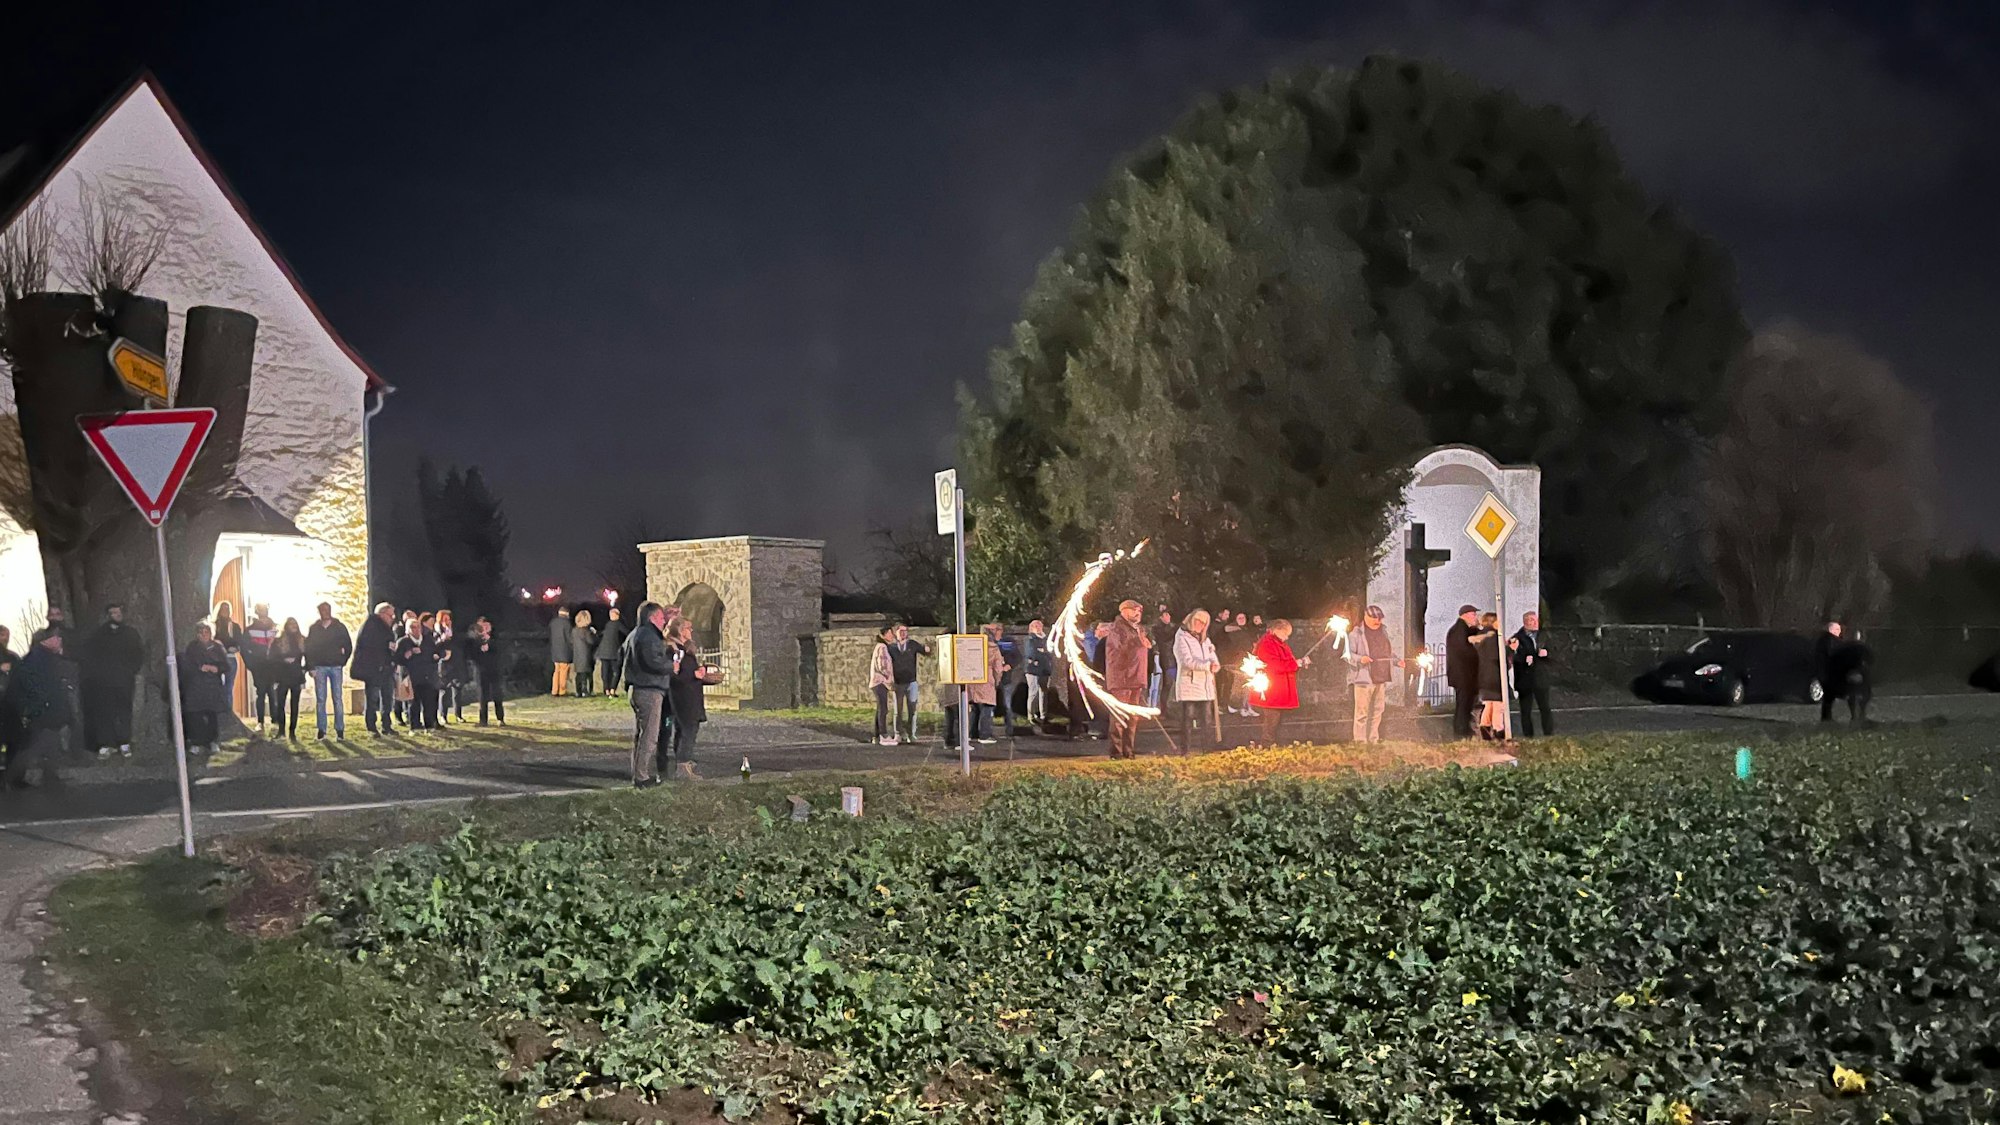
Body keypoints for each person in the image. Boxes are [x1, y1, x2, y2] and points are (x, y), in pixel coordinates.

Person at [4, 630, 71, 788]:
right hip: (41, 710)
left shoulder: (43, 657)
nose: (59, 640)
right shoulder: (37, 659)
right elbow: (35, 685)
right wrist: (42, 703)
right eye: (56, 637)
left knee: (47, 743)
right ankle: (13, 777)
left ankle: (48, 775)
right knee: (34, 744)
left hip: (44, 708)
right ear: (46, 640)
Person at [79, 604, 144, 758]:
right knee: (104, 713)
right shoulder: (99, 635)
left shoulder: (130, 634)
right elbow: (90, 656)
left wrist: (130, 671)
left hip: (124, 681)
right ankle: (106, 743)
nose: (116, 615)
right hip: (103, 682)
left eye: (118, 612)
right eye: (113, 612)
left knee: (124, 712)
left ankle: (124, 742)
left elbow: (138, 654)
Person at [624, 602, 674, 787]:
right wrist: (671, 666)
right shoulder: (649, 636)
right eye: (661, 617)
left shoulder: (635, 634)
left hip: (637, 688)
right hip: (649, 689)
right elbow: (652, 662)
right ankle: (642, 777)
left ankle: (638, 774)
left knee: (641, 735)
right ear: (652, 617)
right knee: (649, 736)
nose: (664, 622)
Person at [1101, 599, 1152, 760]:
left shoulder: (1139, 630)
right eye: (1133, 610)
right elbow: (1115, 655)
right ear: (1124, 611)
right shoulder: (1117, 630)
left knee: (1132, 718)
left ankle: (1129, 751)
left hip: (1136, 679)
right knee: (1118, 718)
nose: (1137, 613)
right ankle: (1116, 752)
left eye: (1139, 611)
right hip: (1122, 680)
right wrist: (1137, 643)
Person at [1345, 605, 1403, 743]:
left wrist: (1396, 661)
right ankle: (1360, 741)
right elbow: (1347, 655)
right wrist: (1361, 659)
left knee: (1378, 711)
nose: (1377, 621)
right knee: (1362, 713)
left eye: (1379, 619)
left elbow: (1387, 653)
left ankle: (1373, 739)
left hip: (1381, 677)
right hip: (1364, 679)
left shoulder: (1383, 632)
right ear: (1366, 617)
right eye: (1374, 619)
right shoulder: (1356, 634)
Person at [666, 616, 715, 778]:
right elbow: (674, 674)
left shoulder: (685, 647)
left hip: (690, 693)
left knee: (685, 729)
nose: (691, 631)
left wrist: (699, 672)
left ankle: (684, 762)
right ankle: (682, 764)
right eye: (688, 628)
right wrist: (693, 674)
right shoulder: (674, 648)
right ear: (680, 630)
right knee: (688, 729)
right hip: (683, 695)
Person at [1250, 619, 1309, 745]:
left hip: (1280, 688)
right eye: (1286, 633)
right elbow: (1274, 665)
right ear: (1277, 630)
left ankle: (1275, 743)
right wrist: (1295, 664)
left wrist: (1299, 662)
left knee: (1277, 719)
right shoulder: (1267, 643)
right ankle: (1267, 745)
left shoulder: (1279, 643)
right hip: (1273, 688)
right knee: (1272, 719)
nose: (1287, 637)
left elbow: (1287, 661)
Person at [1172, 608, 1221, 750]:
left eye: (1204, 623)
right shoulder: (1181, 637)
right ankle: (1185, 749)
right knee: (1188, 718)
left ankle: (1207, 748)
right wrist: (1207, 666)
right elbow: (1187, 661)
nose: (1200, 625)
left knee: (1207, 719)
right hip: (1190, 683)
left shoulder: (1206, 640)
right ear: (1191, 620)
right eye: (1198, 621)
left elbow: (1212, 655)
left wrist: (1215, 664)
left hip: (1206, 685)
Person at [305, 601, 352, 740]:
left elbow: (348, 645)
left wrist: (342, 661)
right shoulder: (314, 628)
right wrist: (311, 667)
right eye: (322, 610)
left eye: (326, 610)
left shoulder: (339, 627)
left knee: (337, 698)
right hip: (320, 667)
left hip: (335, 666)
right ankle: (321, 729)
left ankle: (340, 729)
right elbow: (309, 649)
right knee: (321, 699)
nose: (324, 612)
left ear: (330, 610)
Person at [181, 622, 230, 757]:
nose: (204, 635)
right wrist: (199, 668)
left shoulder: (217, 648)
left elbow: (226, 666)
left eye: (206, 632)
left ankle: (212, 741)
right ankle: (196, 742)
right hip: (196, 685)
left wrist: (217, 669)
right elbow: (187, 665)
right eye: (201, 633)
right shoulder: (192, 648)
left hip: (212, 686)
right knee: (196, 715)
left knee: (212, 714)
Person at [351, 602, 398, 735]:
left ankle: (386, 725)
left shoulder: (386, 628)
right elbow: (368, 646)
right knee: (372, 699)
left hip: (386, 668)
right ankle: (371, 726)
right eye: (390, 615)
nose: (392, 618)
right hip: (374, 669)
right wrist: (386, 646)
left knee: (387, 699)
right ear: (382, 614)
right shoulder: (370, 625)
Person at [1508, 611, 1554, 737]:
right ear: (1526, 622)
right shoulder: (1517, 638)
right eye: (1532, 620)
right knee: (1526, 710)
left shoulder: (1544, 636)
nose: (1535, 623)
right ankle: (1528, 736)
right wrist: (1523, 659)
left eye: (1536, 620)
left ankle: (1548, 734)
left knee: (1545, 708)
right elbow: (1511, 655)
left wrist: (1547, 654)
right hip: (1525, 680)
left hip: (1541, 678)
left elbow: (1555, 652)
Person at [396, 613, 443, 730]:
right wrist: (408, 654)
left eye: (418, 627)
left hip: (427, 675)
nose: (416, 630)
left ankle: (429, 725)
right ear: (408, 630)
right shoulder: (403, 642)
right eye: (413, 627)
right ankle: (415, 725)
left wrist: (436, 656)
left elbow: (436, 652)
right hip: (411, 677)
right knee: (413, 703)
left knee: (428, 702)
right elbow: (397, 659)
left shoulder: (427, 640)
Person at [266, 617, 307, 739]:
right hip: (282, 675)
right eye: (291, 624)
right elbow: (272, 659)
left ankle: (292, 731)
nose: (293, 626)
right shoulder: (279, 642)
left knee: (295, 704)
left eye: (295, 624)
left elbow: (309, 656)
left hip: (296, 675)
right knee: (280, 704)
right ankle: (281, 730)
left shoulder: (302, 640)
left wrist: (305, 668)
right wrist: (284, 660)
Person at [888, 624, 930, 743]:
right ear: (896, 633)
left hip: (911, 682)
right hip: (898, 683)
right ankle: (898, 733)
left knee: (912, 709)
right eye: (901, 631)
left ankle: (912, 734)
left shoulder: (912, 644)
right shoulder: (891, 648)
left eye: (905, 631)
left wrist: (928, 648)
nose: (903, 633)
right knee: (898, 710)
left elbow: (925, 651)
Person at [1445, 605, 1482, 738]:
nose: (1475, 617)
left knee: (1466, 704)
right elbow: (1464, 650)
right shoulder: (1459, 630)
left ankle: (1464, 730)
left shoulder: (1465, 629)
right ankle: (1461, 732)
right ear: (1464, 615)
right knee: (1463, 704)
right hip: (1463, 675)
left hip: (1465, 675)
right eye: (1473, 615)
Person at [242, 603, 277, 733]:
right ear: (257, 611)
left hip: (273, 666)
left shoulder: (275, 628)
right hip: (259, 666)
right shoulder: (249, 629)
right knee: (261, 692)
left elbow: (280, 646)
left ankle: (275, 720)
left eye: (265, 609)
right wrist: (250, 664)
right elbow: (244, 649)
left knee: (273, 693)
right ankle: (260, 722)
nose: (263, 611)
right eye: (260, 609)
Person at [1474, 612, 1507, 740]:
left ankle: (1485, 726)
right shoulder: (1494, 637)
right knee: (1499, 705)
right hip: (1495, 676)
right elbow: (1497, 657)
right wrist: (1509, 649)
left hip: (1483, 676)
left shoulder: (1480, 637)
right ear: (1493, 622)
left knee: (1489, 704)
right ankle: (1499, 731)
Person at [467, 617, 506, 725]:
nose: (484, 628)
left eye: (486, 626)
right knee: (483, 696)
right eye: (481, 626)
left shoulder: (495, 637)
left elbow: (500, 650)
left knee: (497, 694)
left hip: (494, 669)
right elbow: (471, 654)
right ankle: (483, 720)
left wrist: (489, 643)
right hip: (481, 670)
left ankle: (500, 718)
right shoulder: (474, 639)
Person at [212, 600, 243, 714]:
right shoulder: (214, 626)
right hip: (216, 659)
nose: (225, 611)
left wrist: (235, 647)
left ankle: (228, 711)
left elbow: (239, 642)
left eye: (227, 609)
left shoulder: (234, 627)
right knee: (217, 684)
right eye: (223, 609)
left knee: (229, 686)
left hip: (230, 658)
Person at [435, 610, 465, 723]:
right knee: (444, 691)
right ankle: (443, 715)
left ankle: (458, 715)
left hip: (456, 663)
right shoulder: (437, 632)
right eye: (445, 620)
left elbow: (460, 644)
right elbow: (435, 646)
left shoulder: (455, 632)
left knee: (457, 689)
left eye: (449, 619)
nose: (448, 622)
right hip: (444, 665)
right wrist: (442, 639)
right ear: (440, 621)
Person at [869, 625, 897, 745]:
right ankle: (883, 735)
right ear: (884, 635)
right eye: (890, 633)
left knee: (880, 708)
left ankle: (877, 735)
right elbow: (882, 666)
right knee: (883, 709)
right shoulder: (882, 647)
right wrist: (889, 680)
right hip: (880, 682)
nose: (892, 635)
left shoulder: (881, 647)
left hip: (877, 682)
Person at [1814, 620, 1844, 722]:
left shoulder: (1821, 640)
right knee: (1829, 695)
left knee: (1828, 695)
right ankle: (1827, 717)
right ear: (1831, 630)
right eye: (1837, 629)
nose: (1839, 631)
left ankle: (1826, 716)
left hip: (1823, 671)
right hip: (1828, 671)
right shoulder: (1830, 641)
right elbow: (1832, 655)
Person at [1023, 618, 1052, 723]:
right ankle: (1031, 715)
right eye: (1035, 626)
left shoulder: (1046, 639)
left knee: (1043, 692)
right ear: (1031, 628)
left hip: (1044, 669)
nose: (1038, 628)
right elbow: (1031, 653)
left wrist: (1042, 652)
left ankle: (1043, 715)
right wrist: (1042, 653)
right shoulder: (1030, 639)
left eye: (1039, 626)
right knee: (1033, 692)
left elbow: (1049, 652)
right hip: (1032, 669)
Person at [1148, 608, 1176, 709]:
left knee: (1171, 683)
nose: (1169, 617)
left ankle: (1167, 706)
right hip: (1165, 659)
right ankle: (1163, 707)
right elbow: (1164, 638)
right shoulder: (1158, 628)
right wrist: (1173, 630)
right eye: (1166, 615)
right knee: (1166, 683)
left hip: (1172, 659)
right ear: (1161, 617)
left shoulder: (1171, 627)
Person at [597, 608, 627, 696]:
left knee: (605, 672)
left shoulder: (607, 625)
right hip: (613, 653)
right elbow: (627, 632)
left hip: (603, 652)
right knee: (616, 671)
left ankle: (606, 690)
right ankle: (612, 690)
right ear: (617, 615)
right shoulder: (618, 624)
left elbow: (601, 634)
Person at [570, 609, 600, 697]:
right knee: (587, 674)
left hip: (577, 655)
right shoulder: (586, 631)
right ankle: (586, 691)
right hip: (586, 655)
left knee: (579, 674)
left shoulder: (574, 630)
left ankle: (578, 691)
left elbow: (571, 642)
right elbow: (591, 641)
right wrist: (594, 634)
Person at [549, 606, 573, 696]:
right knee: (563, 671)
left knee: (556, 670)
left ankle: (554, 690)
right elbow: (570, 638)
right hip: (564, 651)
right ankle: (562, 691)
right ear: (567, 614)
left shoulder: (553, 622)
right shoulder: (567, 623)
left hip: (555, 650)